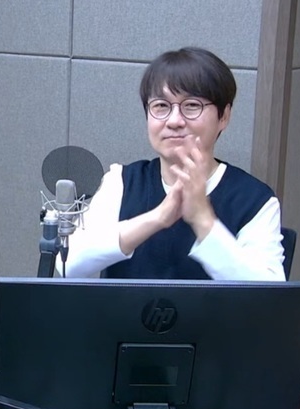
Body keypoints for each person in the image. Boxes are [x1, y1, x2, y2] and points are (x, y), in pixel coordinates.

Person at [59, 47, 285, 281]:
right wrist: (157, 218)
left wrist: (203, 220)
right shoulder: (121, 182)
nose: (174, 121)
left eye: (192, 105)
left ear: (224, 116)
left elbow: (269, 292)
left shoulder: (255, 200)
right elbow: (67, 266)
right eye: (161, 106)